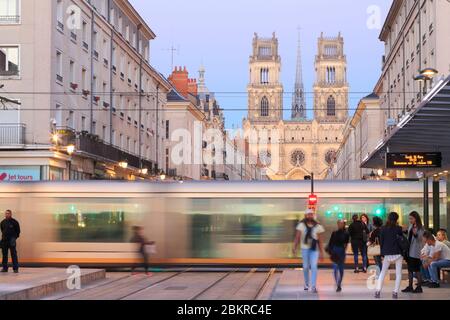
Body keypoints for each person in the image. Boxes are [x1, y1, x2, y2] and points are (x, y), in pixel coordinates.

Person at [292, 209, 325, 294]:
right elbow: (297, 237)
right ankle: (306, 284)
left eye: (311, 214)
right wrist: (294, 247)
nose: (310, 216)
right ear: (305, 215)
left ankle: (313, 286)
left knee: (314, 266)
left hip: (314, 249)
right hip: (305, 249)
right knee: (306, 266)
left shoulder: (318, 226)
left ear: (313, 215)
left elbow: (320, 240)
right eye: (308, 214)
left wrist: (322, 252)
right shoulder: (301, 225)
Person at [375, 212, 404, 299]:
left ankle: (378, 291)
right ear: (396, 219)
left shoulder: (383, 229)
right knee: (398, 273)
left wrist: (382, 253)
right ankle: (395, 292)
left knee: (383, 272)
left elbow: (381, 242)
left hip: (387, 253)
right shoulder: (399, 228)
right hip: (398, 253)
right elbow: (401, 240)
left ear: (388, 218)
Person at [402, 211, 425, 294]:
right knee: (410, 269)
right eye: (409, 218)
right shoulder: (411, 226)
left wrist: (415, 234)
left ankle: (419, 287)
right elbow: (409, 237)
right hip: (409, 250)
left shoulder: (421, 227)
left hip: (415, 252)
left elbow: (421, 240)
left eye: (411, 218)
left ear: (416, 218)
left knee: (417, 270)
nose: (410, 220)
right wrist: (405, 231)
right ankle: (410, 286)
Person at [327, 219, 349, 292]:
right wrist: (331, 251)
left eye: (341, 223)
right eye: (339, 223)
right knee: (335, 268)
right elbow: (330, 243)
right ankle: (338, 284)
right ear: (337, 224)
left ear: (343, 224)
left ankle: (339, 283)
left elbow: (346, 244)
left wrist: (344, 250)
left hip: (341, 251)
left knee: (341, 269)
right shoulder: (334, 233)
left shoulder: (346, 234)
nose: (340, 225)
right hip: (335, 251)